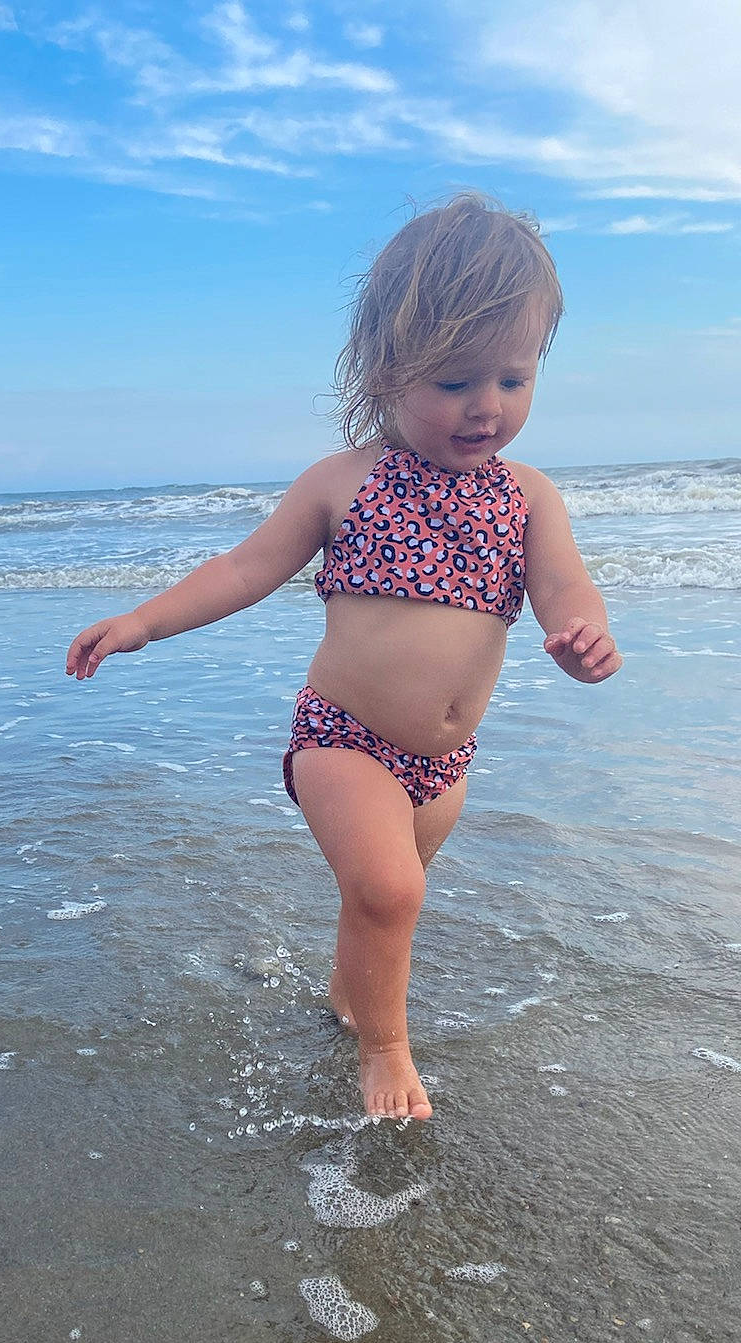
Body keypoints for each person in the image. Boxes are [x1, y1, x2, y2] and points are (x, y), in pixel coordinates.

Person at [65, 193, 622, 1123]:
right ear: (384, 368)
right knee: (388, 887)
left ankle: (348, 996)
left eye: (512, 380)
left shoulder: (530, 497)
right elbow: (244, 568)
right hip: (344, 736)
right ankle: (384, 1051)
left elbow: (567, 588)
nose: (486, 407)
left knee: (382, 902)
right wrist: (144, 623)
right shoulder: (344, 483)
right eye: (453, 383)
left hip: (444, 764)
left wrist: (582, 635)